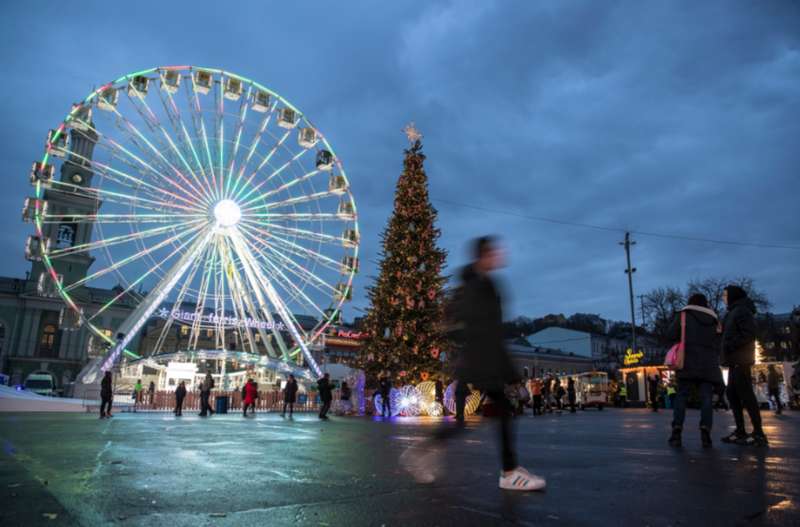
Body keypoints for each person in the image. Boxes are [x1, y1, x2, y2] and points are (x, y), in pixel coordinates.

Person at [405, 236, 545, 491]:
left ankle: (425, 451)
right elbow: (485, 331)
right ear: (484, 255)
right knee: (502, 412)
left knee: (479, 419)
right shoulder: (477, 288)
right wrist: (511, 375)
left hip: (481, 359)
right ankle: (509, 472)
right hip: (482, 360)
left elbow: (467, 326)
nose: (500, 255)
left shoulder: (481, 284)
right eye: (495, 251)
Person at [667, 294, 723, 448]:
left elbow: (670, 334)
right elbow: (718, 341)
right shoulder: (714, 319)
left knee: (681, 397)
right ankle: (705, 431)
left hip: (687, 361)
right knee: (706, 398)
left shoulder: (684, 315)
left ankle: (677, 431)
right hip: (708, 364)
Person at [720, 285, 768, 446]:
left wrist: (730, 345)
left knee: (746, 395)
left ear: (733, 296)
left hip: (741, 359)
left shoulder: (741, 311)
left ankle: (758, 433)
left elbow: (749, 333)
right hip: (735, 361)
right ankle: (741, 430)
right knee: (732, 394)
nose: (722, 297)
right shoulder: (733, 312)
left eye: (725, 295)